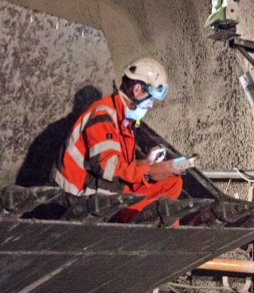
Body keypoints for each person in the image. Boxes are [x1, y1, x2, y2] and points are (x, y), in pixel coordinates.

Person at [50, 58, 183, 222]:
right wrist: (149, 172)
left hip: (100, 184)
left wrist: (146, 163)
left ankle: (143, 222)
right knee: (160, 217)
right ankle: (138, 228)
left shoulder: (123, 118)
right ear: (137, 90)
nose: (151, 105)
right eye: (151, 98)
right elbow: (108, 169)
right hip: (79, 194)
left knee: (172, 181)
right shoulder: (103, 116)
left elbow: (119, 165)